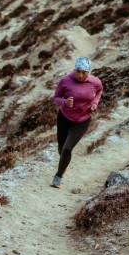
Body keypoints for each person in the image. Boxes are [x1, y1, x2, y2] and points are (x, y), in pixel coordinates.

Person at [51, 56, 103, 188]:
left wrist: (95, 104)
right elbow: (56, 97)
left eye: (84, 72)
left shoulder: (95, 82)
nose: (80, 75)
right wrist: (64, 102)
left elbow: (99, 91)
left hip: (82, 120)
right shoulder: (65, 81)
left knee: (67, 148)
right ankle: (64, 162)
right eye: (78, 71)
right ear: (74, 69)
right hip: (64, 118)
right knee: (62, 148)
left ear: (88, 72)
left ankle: (58, 176)